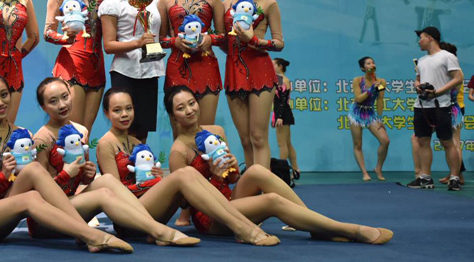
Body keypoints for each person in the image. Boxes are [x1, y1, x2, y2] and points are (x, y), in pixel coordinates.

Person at [166, 85, 394, 245]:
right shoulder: (178, 151)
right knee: (271, 201)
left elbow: (233, 178)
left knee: (256, 170)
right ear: (173, 116)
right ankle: (347, 229)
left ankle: (315, 225)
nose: (190, 110)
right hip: (212, 217)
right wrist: (214, 177)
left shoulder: (215, 131)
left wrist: (231, 167)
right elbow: (185, 202)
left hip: (229, 199)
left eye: (192, 103)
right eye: (181, 108)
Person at [0, 69, 133, 252]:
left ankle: (84, 233)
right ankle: (91, 236)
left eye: (4, 95)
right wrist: (2, 176)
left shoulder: (24, 134)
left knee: (34, 176)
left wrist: (84, 175)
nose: (0, 102)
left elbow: (33, 182)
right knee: (29, 197)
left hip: (2, 217)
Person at [97, 87, 281, 247]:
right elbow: (116, 194)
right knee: (184, 174)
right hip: (128, 218)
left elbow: (231, 178)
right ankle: (242, 228)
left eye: (128, 108)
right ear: (106, 113)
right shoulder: (106, 143)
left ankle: (247, 226)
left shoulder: (137, 142)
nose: (124, 114)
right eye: (117, 110)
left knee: (263, 185)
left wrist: (157, 179)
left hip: (150, 212)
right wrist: (152, 186)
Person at [30, 77, 199, 246]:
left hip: (73, 204)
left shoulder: (81, 131)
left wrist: (88, 174)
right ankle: (157, 230)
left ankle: (153, 228)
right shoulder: (42, 139)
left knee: (106, 180)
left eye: (65, 97)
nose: (62, 105)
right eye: (53, 101)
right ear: (44, 107)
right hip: (49, 214)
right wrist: (66, 174)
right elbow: (42, 190)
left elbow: (83, 179)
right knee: (106, 188)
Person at [222, 0, 284, 169]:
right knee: (245, 139)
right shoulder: (226, 4)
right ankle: (251, 184)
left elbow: (279, 43)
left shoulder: (269, 3)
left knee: (258, 137)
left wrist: (254, 40)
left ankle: (263, 184)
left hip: (260, 72)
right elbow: (224, 41)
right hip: (234, 72)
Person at [98, 0, 164, 143]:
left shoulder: (154, 0)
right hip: (125, 72)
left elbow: (161, 35)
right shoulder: (111, 3)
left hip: (150, 70)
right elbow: (109, 45)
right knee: (125, 129)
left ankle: (141, 162)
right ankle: (121, 161)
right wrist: (138, 43)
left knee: (143, 130)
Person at [157, 0, 224, 134]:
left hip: (206, 67)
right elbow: (160, 40)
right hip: (177, 69)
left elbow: (223, 36)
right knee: (181, 135)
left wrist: (210, 39)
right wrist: (175, 42)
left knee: (207, 133)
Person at [44, 0, 108, 135]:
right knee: (72, 132)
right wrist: (66, 39)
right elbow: (48, 32)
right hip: (71, 66)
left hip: (96, 69)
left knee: (86, 133)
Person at [406, 27, 463, 191]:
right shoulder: (422, 60)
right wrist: (417, 85)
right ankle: (425, 178)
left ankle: (454, 178)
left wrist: (437, 92)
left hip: (441, 106)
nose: (419, 41)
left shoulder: (447, 56)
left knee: (447, 142)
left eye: (421, 38)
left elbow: (458, 78)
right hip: (421, 106)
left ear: (430, 38)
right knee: (422, 141)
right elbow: (418, 79)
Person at [348, 57, 390, 181]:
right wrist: (371, 89)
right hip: (356, 113)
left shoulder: (381, 82)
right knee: (358, 144)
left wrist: (380, 118)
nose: (372, 65)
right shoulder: (357, 80)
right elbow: (358, 99)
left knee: (385, 141)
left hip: (370, 113)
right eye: (368, 63)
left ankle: (378, 168)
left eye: (373, 62)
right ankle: (364, 173)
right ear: (363, 68)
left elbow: (380, 100)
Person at [436, 42, 466, 186]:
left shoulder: (453, 72)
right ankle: (456, 175)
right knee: (451, 144)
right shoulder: (454, 70)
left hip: (452, 109)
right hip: (451, 108)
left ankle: (455, 176)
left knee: (454, 143)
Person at [271, 58, 301, 179]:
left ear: (280, 66)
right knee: (287, 144)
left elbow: (282, 101)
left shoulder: (284, 80)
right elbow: (277, 100)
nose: (271, 66)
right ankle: (295, 169)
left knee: (282, 144)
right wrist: (275, 116)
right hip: (281, 113)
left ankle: (282, 172)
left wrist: (279, 117)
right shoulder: (278, 79)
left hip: (283, 114)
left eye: (273, 64)